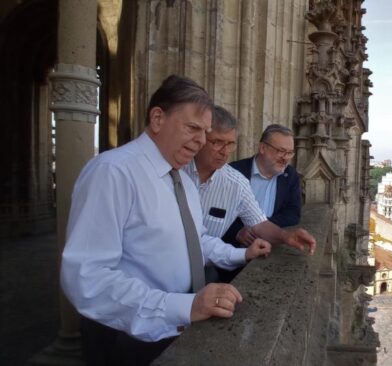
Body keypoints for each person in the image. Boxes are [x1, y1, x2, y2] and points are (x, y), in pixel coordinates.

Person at [60, 75, 271, 365]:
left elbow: (195, 241)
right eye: (193, 128)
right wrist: (183, 305)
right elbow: (87, 277)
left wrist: (241, 255)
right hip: (126, 337)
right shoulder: (113, 172)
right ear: (157, 118)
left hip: (173, 328)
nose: (201, 141)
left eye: (205, 132)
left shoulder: (182, 178)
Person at [183, 106, 316, 282]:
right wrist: (240, 240)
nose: (225, 152)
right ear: (200, 138)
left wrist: (286, 236)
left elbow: (260, 224)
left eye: (230, 144)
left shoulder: (237, 183)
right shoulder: (176, 171)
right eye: (217, 142)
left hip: (204, 270)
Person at [222, 124, 301, 247]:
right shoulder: (234, 172)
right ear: (263, 148)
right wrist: (237, 231)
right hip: (232, 250)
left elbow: (293, 213)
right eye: (281, 151)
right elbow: (218, 212)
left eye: (290, 153)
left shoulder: (290, 175)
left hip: (271, 247)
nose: (285, 158)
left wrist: (260, 228)